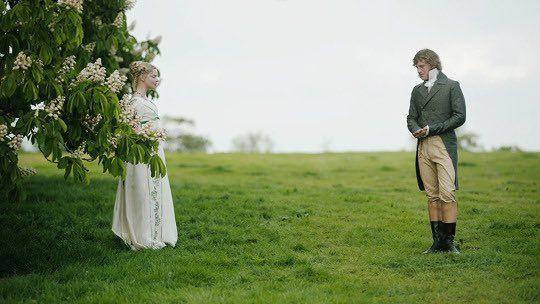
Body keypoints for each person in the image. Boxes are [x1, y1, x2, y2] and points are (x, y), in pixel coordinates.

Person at [112, 61, 178, 250]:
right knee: (141, 190)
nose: (157, 80)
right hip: (141, 153)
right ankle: (143, 235)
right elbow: (127, 129)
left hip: (153, 151)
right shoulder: (133, 102)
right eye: (153, 76)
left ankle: (157, 232)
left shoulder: (147, 101)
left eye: (157, 76)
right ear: (142, 77)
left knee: (153, 190)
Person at [407, 49, 466, 254]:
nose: (418, 71)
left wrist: (433, 129)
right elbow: (410, 117)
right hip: (423, 146)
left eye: (421, 66)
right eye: (416, 67)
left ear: (432, 64)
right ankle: (437, 243)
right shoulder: (417, 90)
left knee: (447, 193)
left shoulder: (451, 86)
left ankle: (449, 243)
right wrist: (415, 129)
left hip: (443, 145)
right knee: (432, 196)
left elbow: (460, 117)